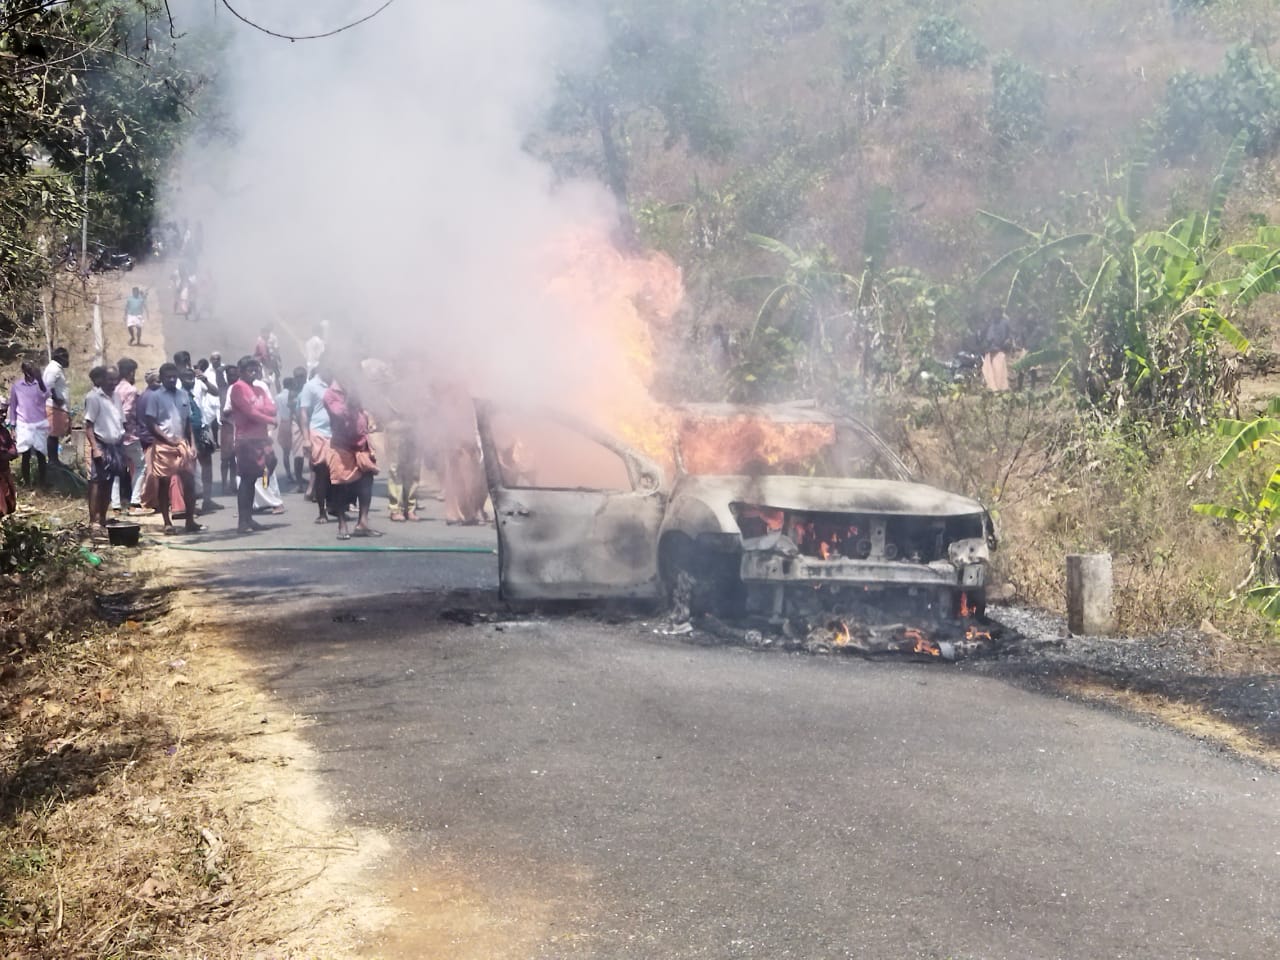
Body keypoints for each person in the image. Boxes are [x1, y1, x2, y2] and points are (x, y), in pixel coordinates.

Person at [141, 363, 203, 534]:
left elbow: (188, 422)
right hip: (163, 446)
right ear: (162, 378)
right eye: (168, 377)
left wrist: (192, 444)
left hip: (182, 444)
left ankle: (190, 521)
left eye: (174, 376)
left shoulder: (183, 395)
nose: (171, 379)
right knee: (164, 483)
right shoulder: (155, 397)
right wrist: (167, 439)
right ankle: (167, 523)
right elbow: (150, 422)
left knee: (189, 483)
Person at [323, 375, 379, 540]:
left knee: (366, 482)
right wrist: (350, 399)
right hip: (342, 447)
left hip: (361, 445)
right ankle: (342, 524)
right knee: (341, 486)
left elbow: (364, 409)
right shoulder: (330, 394)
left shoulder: (355, 389)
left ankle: (363, 523)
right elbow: (339, 413)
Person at [228, 356, 278, 535]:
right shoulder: (238, 388)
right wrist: (270, 419)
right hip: (246, 440)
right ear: (241, 371)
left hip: (261, 438)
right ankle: (243, 521)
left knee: (268, 466)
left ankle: (248, 518)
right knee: (247, 480)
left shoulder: (259, 388)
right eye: (250, 369)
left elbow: (272, 407)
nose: (255, 372)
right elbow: (250, 412)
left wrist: (264, 412)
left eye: (256, 369)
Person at [84, 366, 126, 534]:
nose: (113, 383)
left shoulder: (116, 396)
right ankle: (93, 521)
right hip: (100, 444)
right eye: (110, 379)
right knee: (96, 482)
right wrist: (95, 448)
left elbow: (121, 421)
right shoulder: (93, 397)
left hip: (115, 445)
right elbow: (88, 426)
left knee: (109, 482)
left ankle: (102, 518)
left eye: (116, 379)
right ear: (101, 379)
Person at [299, 364, 333, 523]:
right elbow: (303, 413)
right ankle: (322, 511)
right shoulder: (311, 386)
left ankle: (336, 507)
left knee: (336, 473)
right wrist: (306, 439)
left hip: (337, 433)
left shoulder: (338, 383)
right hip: (318, 433)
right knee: (320, 473)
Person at [111, 358, 146, 515]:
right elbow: (126, 412)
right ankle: (135, 501)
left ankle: (116, 505)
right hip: (129, 435)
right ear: (131, 372)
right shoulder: (131, 390)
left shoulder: (113, 388)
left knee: (117, 470)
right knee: (141, 466)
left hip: (113, 436)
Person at [7, 361, 49, 487]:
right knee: (25, 455)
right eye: (29, 371)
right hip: (23, 424)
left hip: (39, 424)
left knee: (41, 455)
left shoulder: (40, 385)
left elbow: (46, 395)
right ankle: (27, 483)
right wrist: (12, 426)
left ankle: (42, 483)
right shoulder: (17, 387)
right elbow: (13, 406)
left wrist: (40, 380)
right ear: (24, 372)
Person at [42, 347, 70, 466]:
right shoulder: (53, 369)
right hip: (54, 406)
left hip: (58, 406)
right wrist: (56, 398)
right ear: (60, 357)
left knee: (55, 434)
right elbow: (48, 385)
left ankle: (54, 459)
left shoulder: (57, 368)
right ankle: (53, 460)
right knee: (52, 434)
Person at [982, 309, 1012, 392]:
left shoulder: (1005, 323)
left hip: (1000, 350)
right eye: (994, 312)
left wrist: (1007, 342)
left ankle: (1001, 387)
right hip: (990, 350)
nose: (996, 314)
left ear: (1001, 313)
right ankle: (992, 387)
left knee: (999, 370)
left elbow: (1009, 335)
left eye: (998, 312)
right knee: (989, 370)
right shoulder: (990, 323)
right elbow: (986, 336)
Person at [0, 399, 16, 517]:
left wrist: (6, 455)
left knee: (10, 504)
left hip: (5, 473)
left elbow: (13, 450)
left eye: (5, 412)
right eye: (0, 412)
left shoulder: (4, 432)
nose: (3, 415)